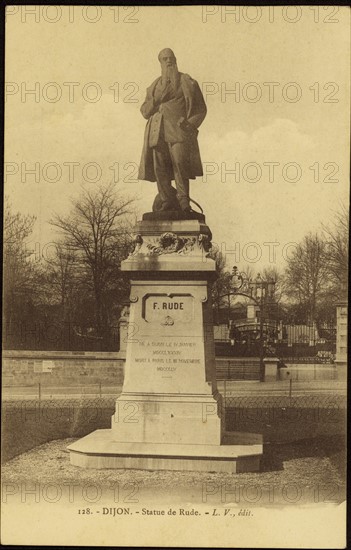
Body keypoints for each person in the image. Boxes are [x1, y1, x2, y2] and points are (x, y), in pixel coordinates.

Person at [138, 48, 207, 214]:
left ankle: (184, 202)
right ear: (160, 62)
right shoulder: (153, 87)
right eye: (164, 59)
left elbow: (200, 109)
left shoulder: (187, 81)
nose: (168, 61)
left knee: (180, 165)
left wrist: (190, 124)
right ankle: (166, 200)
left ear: (175, 60)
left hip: (178, 132)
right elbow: (144, 111)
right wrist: (155, 100)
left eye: (171, 58)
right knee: (160, 168)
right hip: (157, 133)